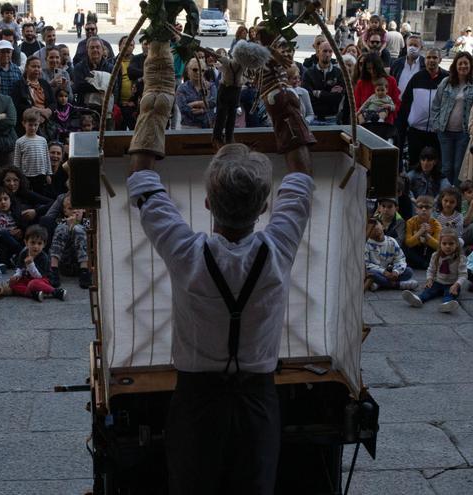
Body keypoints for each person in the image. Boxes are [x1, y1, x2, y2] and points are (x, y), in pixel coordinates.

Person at [125, 32, 315, 493]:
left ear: (206, 204)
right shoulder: (277, 249)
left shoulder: (187, 254)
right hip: (257, 401)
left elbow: (142, 178)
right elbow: (303, 173)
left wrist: (159, 92)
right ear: (264, 204)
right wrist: (275, 92)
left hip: (197, 403)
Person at [431, 52, 473, 183]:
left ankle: (457, 195)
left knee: (458, 167)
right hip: (445, 131)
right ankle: (446, 195)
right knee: (446, 167)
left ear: (471, 65)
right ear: (455, 66)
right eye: (460, 63)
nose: (463, 66)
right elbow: (436, 104)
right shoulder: (446, 82)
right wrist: (436, 124)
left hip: (464, 133)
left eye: (466, 63)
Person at [402, 231, 466, 313]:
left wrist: (457, 285)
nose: (447, 246)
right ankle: (418, 299)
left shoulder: (460, 258)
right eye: (444, 243)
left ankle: (446, 304)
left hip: (452, 283)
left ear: (457, 244)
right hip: (438, 281)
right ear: (440, 244)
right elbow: (431, 269)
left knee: (450, 294)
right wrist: (429, 279)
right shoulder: (435, 256)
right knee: (429, 290)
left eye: (451, 244)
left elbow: (463, 275)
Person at [9, 224, 66, 301]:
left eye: (39, 243)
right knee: (12, 284)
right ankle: (34, 294)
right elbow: (19, 268)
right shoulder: (24, 253)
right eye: (32, 243)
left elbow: (38, 276)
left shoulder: (44, 257)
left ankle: (54, 291)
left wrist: (30, 265)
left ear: (44, 245)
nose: (36, 246)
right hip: (27, 278)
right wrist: (16, 276)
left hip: (42, 279)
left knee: (33, 284)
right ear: (26, 242)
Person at [72, 36, 117, 126]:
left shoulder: (111, 68)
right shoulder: (79, 67)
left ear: (102, 49)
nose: (95, 50)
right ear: (87, 50)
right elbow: (78, 87)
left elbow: (114, 88)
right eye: (92, 47)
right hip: (85, 112)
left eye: (97, 47)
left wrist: (90, 83)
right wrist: (102, 86)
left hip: (106, 112)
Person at [48, 194, 91, 289]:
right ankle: (53, 269)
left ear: (83, 209)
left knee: (79, 229)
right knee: (61, 228)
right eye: (71, 208)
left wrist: (75, 225)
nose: (75, 211)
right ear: (65, 211)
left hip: (81, 263)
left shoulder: (87, 222)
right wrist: (69, 226)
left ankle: (84, 270)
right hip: (64, 263)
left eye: (77, 208)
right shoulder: (60, 221)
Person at [364, 217, 417, 291]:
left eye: (376, 224)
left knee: (409, 271)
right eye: (370, 227)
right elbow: (366, 264)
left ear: (383, 226)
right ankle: (397, 285)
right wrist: (384, 272)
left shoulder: (391, 241)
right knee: (371, 274)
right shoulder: (366, 244)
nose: (374, 227)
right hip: (377, 272)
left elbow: (400, 258)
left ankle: (380, 283)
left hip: (389, 271)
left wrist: (396, 271)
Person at [303, 41, 345, 125]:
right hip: (313, 119)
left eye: (330, 51)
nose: (328, 54)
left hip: (332, 118)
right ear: (318, 53)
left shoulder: (338, 73)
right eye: (325, 51)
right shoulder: (309, 73)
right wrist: (329, 94)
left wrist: (319, 93)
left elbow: (338, 97)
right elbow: (308, 96)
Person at [11, 57, 54, 136]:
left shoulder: (44, 83)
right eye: (33, 66)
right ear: (27, 68)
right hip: (27, 125)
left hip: (46, 124)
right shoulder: (19, 85)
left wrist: (48, 112)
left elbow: (53, 102)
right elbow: (18, 105)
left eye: (39, 67)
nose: (36, 69)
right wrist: (39, 112)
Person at [14, 108, 51, 195]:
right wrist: (18, 176)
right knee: (28, 196)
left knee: (41, 194)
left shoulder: (43, 140)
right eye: (30, 125)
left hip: (41, 175)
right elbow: (17, 161)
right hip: (26, 175)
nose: (33, 128)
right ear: (24, 124)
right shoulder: (20, 141)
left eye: (35, 125)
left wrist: (48, 174)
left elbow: (47, 158)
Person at [176, 58, 216, 129]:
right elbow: (183, 108)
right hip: (189, 127)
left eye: (202, 70)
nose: (198, 72)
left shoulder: (210, 86)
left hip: (208, 126)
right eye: (195, 70)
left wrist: (196, 105)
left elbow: (213, 102)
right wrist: (204, 106)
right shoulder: (182, 88)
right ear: (188, 71)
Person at [405, 194, 441, 269]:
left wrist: (427, 235)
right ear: (416, 209)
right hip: (416, 251)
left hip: (429, 251)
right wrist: (420, 232)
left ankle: (424, 264)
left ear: (433, 209)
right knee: (407, 250)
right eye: (420, 207)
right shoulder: (410, 222)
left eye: (427, 207)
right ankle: (425, 264)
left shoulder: (436, 224)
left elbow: (438, 246)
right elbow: (408, 243)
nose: (424, 209)